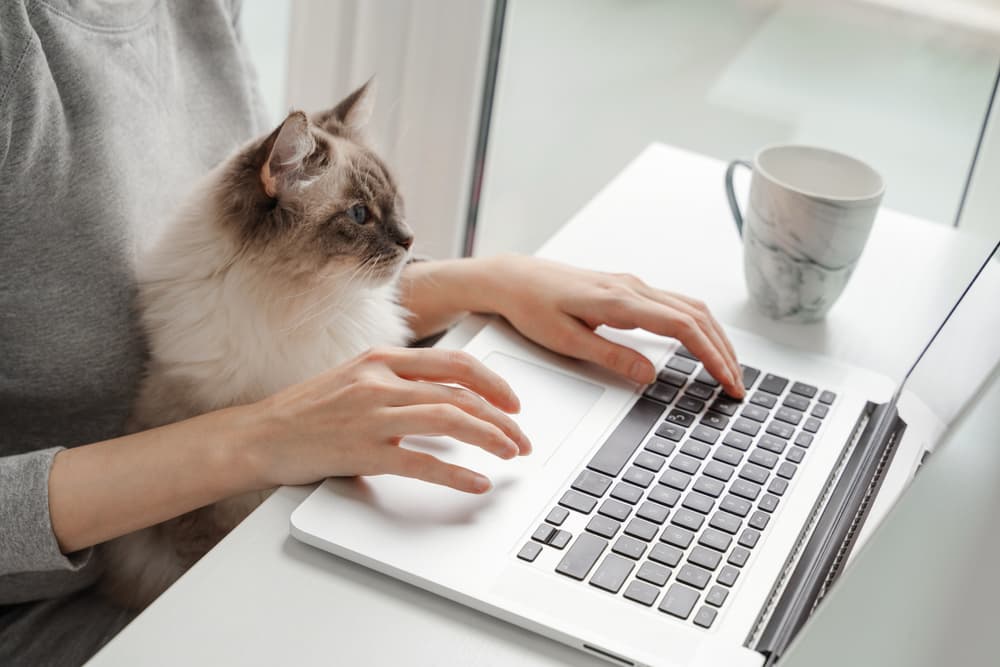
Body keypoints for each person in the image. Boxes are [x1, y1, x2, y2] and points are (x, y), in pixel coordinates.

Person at [0, 1, 744, 664]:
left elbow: (277, 281)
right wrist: (254, 438)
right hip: (61, 604)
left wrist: (482, 282)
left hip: (242, 521)